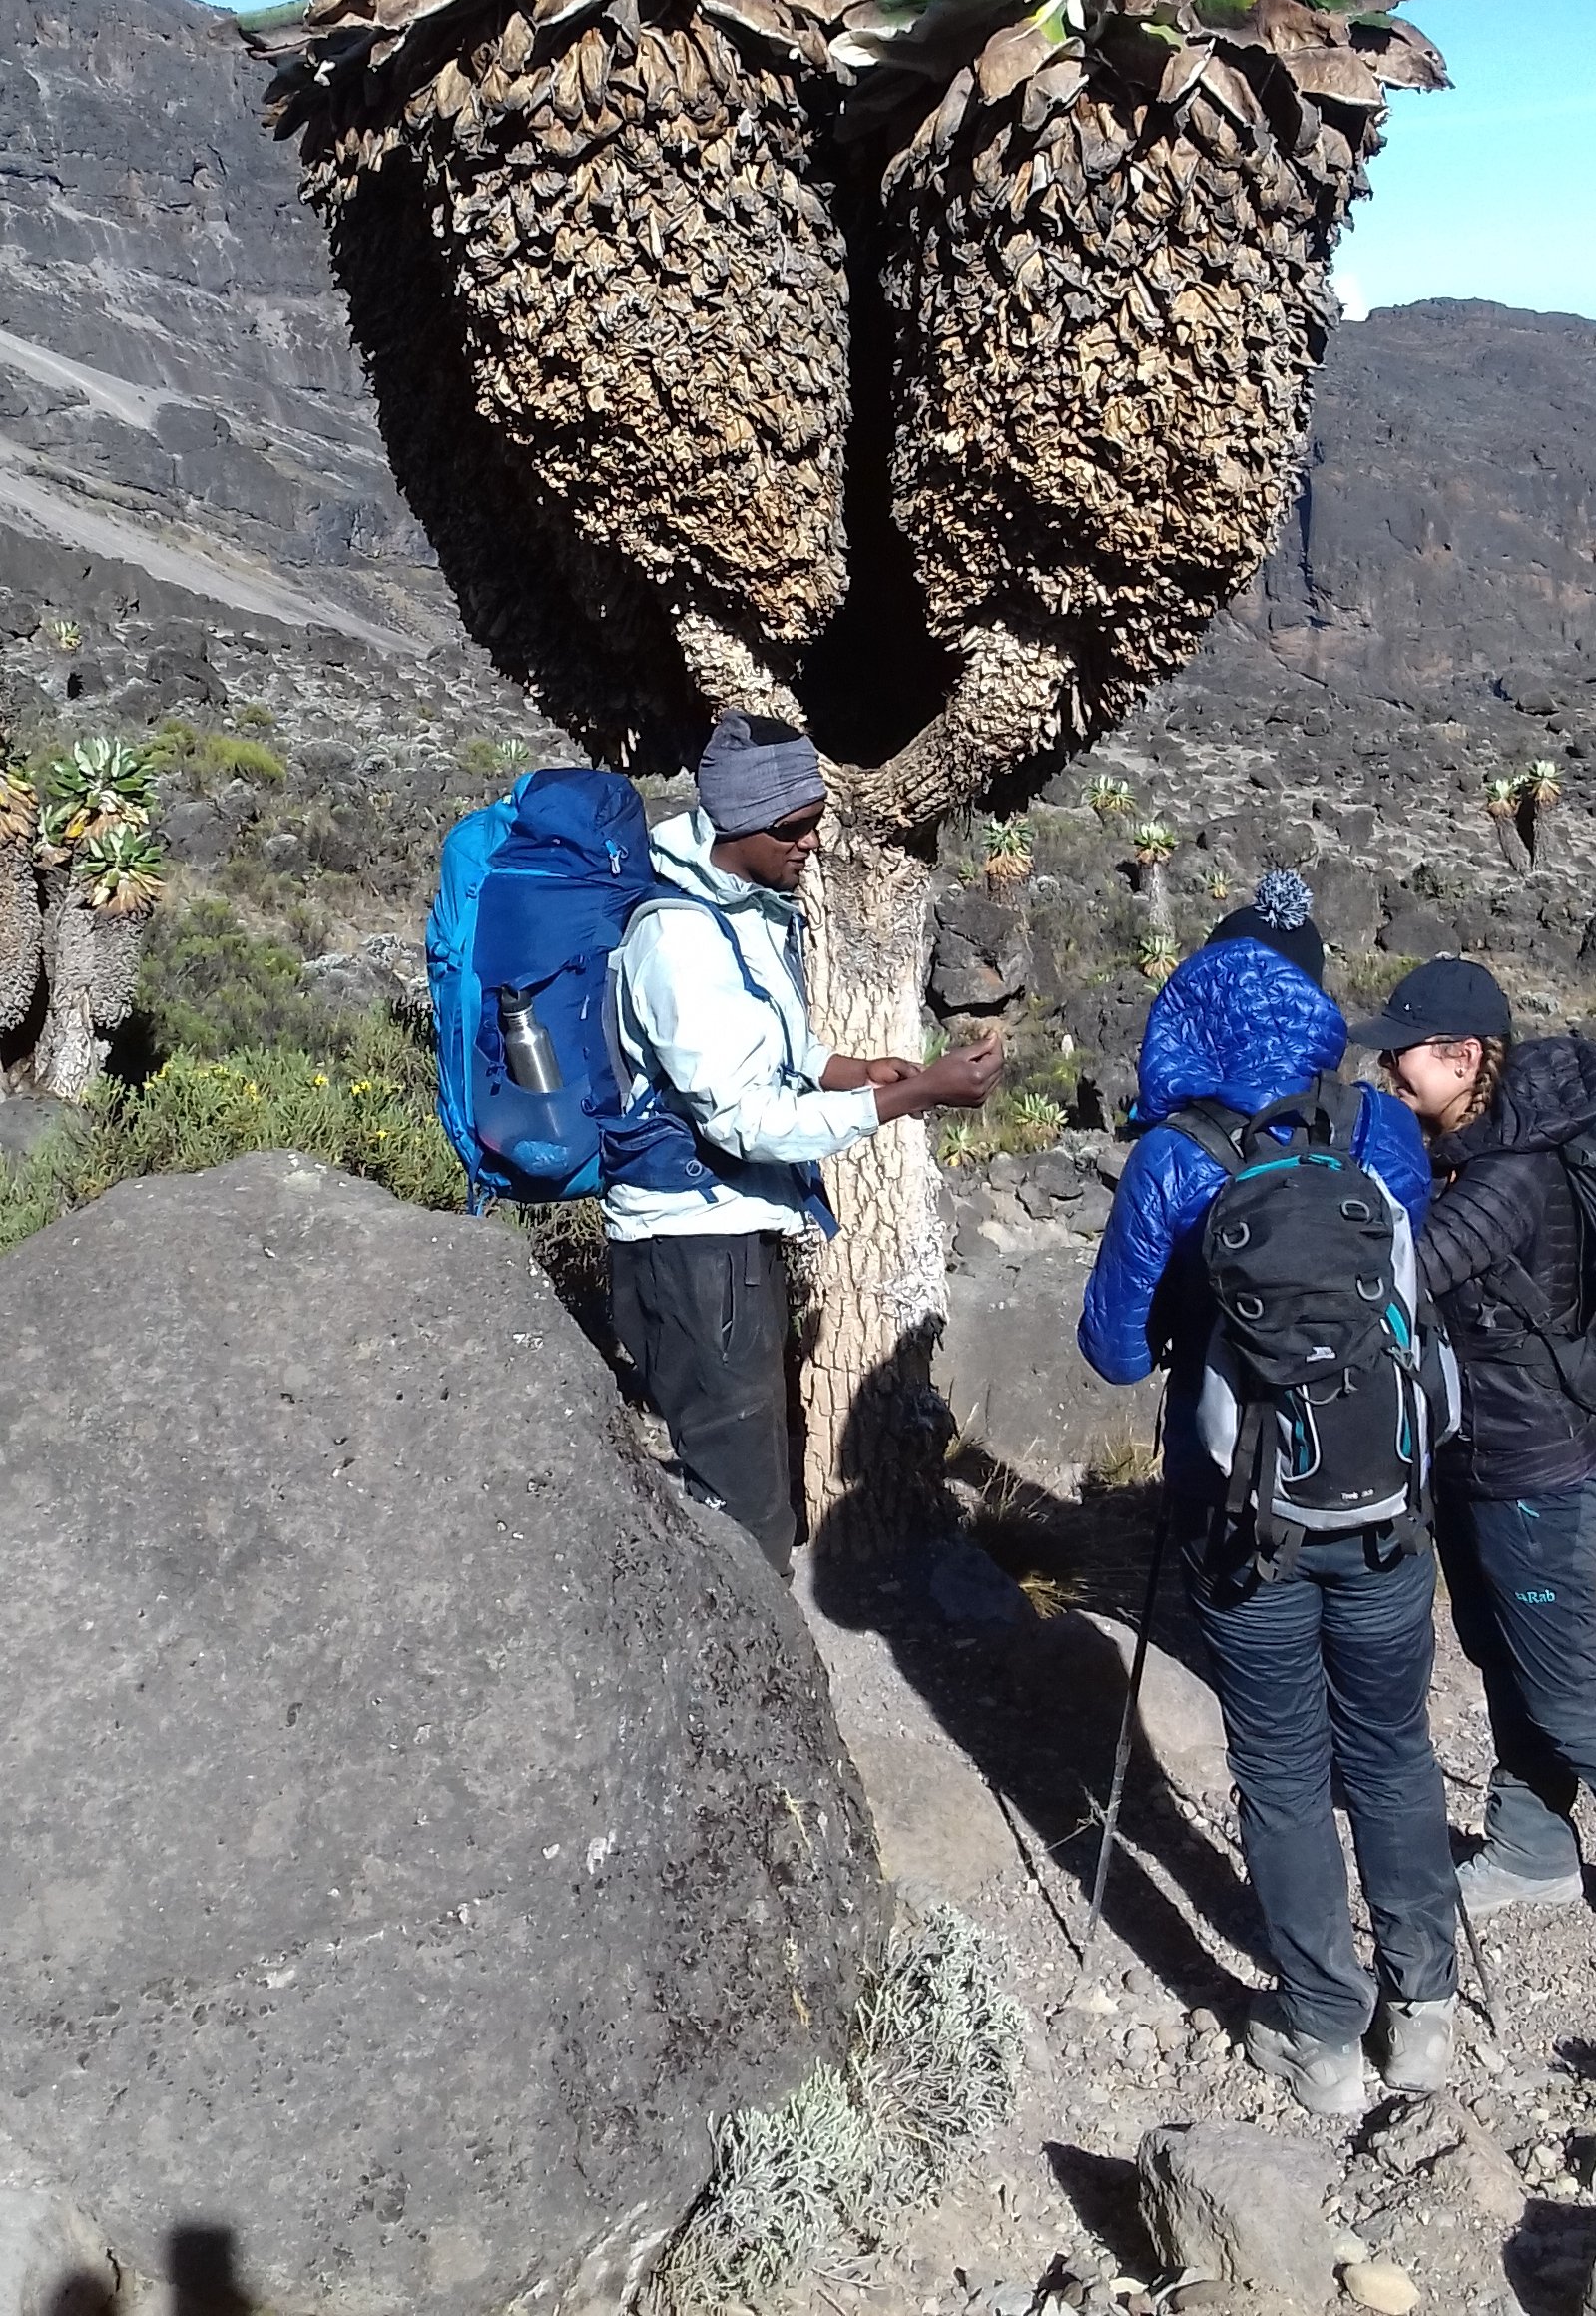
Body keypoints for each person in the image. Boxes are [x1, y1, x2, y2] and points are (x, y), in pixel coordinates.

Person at [1079, 871, 1462, 2116]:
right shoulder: (1373, 1126)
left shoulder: (1176, 1156)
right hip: (1392, 1506)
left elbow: (1115, 1351)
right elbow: (1415, 1287)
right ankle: (1429, 2016)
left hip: (1243, 1522)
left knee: (1286, 1770)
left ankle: (1323, 2039)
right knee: (1395, 1752)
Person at [1350, 956, 1596, 1986]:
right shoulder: (1469, 1148)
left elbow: (1404, 1270)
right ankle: (1532, 1846)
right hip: (1476, 1457)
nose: (1389, 1071)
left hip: (1539, 1469)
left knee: (1564, 1690)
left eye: (1404, 1053)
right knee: (1502, 1659)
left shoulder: (1509, 1175)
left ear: (1464, 1057)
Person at [602, 710, 1000, 1576]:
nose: (813, 842)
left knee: (750, 1492)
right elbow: (743, 1120)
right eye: (794, 826)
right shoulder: (678, 940)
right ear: (737, 824)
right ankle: (745, 1695)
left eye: (815, 818)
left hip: (725, 1242)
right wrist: (917, 1097)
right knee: (743, 1525)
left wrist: (852, 1069)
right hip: (689, 1250)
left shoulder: (738, 906)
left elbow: (760, 1044)